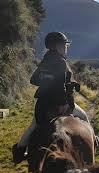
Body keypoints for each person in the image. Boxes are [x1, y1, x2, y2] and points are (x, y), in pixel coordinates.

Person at [12, 32, 91, 164]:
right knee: (84, 117)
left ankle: (19, 151)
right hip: (59, 102)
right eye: (64, 45)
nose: (66, 47)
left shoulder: (45, 60)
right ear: (56, 46)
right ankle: (94, 140)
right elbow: (60, 86)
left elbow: (34, 80)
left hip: (43, 103)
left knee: (33, 126)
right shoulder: (60, 62)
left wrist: (48, 80)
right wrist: (64, 103)